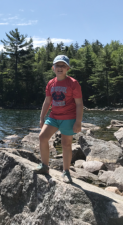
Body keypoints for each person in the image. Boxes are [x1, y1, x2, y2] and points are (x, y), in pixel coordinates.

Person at [34, 55, 83, 183]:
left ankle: (66, 172)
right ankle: (45, 166)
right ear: (53, 68)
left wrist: (78, 122)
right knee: (42, 137)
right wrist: (42, 117)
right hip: (53, 116)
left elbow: (79, 103)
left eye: (63, 66)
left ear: (67, 68)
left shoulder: (73, 83)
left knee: (66, 144)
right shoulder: (51, 83)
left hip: (68, 117)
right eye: (57, 65)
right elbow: (47, 101)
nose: (60, 68)